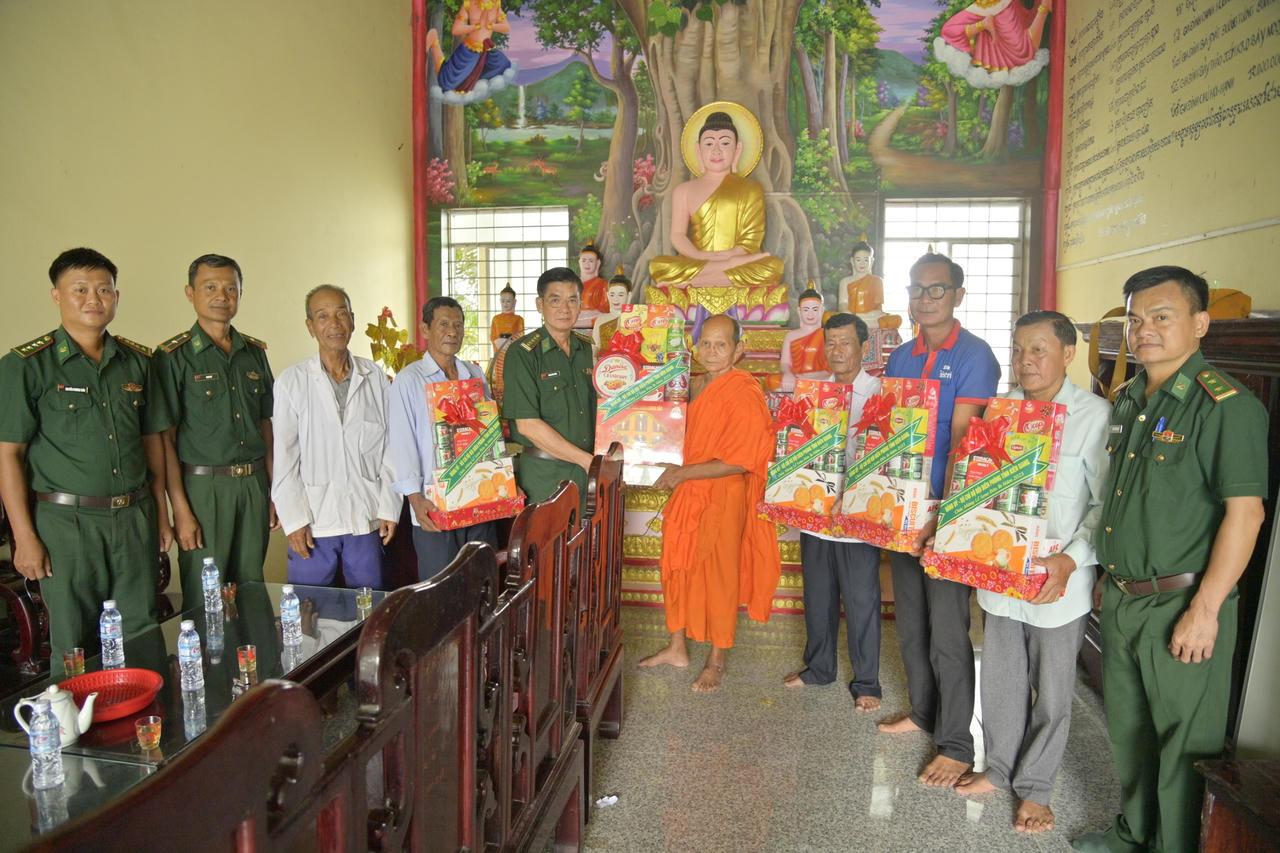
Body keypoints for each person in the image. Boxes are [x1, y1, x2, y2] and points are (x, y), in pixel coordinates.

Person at [1071, 267, 1268, 853]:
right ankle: (1133, 833)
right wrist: (1109, 574)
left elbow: (1246, 515)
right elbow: (1123, 502)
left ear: (1200, 324)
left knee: (1184, 744)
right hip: (1127, 598)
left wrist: (1206, 610)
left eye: (1163, 316)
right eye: (1135, 318)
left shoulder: (1224, 407)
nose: (1145, 330)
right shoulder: (1130, 399)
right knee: (1129, 732)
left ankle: (1175, 846)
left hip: (1183, 603)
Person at [952, 311, 1110, 834]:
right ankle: (998, 768)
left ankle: (1036, 788)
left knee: (1054, 686)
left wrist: (1071, 560)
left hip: (1058, 580)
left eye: (1038, 349)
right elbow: (978, 491)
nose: (1025, 361)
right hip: (1000, 572)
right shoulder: (999, 412)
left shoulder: (1093, 415)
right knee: (1000, 679)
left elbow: (1106, 505)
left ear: (1068, 354)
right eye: (1018, 350)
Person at [0, 248, 171, 659]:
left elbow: (153, 444)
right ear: (57, 296)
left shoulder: (139, 362)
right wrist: (23, 537)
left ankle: (148, 721)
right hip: (65, 524)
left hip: (134, 517)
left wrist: (162, 517)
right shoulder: (26, 366)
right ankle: (74, 724)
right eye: (80, 289)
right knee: (73, 642)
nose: (93, 299)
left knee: (141, 632)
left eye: (104, 289)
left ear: (116, 295)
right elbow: (9, 455)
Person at [877, 252, 1001, 787]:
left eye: (937, 290)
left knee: (949, 630)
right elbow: (889, 435)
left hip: (946, 512)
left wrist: (941, 518)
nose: (925, 299)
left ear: (958, 295)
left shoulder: (976, 356)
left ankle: (955, 742)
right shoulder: (901, 356)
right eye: (918, 289)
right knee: (911, 622)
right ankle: (924, 712)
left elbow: (962, 443)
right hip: (900, 509)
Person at [637, 314, 780, 691]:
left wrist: (684, 473)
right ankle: (677, 646)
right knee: (676, 562)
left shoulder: (744, 390)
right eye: (706, 344)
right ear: (694, 347)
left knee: (719, 574)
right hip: (687, 492)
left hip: (723, 495)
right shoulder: (691, 385)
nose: (712, 351)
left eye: (721, 344)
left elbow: (742, 459)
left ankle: (717, 659)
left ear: (739, 349)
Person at [154, 254, 277, 610]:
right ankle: (208, 665)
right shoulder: (173, 356)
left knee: (251, 586)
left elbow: (265, 425)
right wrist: (181, 510)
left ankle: (253, 663)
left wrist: (272, 491)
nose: (222, 296)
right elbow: (166, 439)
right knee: (206, 593)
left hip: (253, 484)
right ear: (190, 293)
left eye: (230, 288)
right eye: (211, 287)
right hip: (203, 489)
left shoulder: (254, 353)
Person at [782, 313, 884, 711]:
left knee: (861, 598)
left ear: (863, 348)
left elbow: (885, 457)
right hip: (816, 512)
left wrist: (854, 492)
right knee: (818, 594)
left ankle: (868, 682)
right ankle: (819, 667)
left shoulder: (880, 392)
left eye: (845, 343)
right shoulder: (814, 392)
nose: (837, 351)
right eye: (831, 343)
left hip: (857, 516)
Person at [271, 285, 401, 589]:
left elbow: (390, 449)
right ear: (310, 326)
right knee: (309, 614)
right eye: (323, 316)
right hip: (314, 519)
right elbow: (286, 457)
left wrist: (389, 506)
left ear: (353, 320)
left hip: (366, 517)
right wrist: (294, 520)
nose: (334, 323)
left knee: (369, 613)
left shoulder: (375, 377)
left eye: (341, 313)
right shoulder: (292, 381)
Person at [387, 296, 500, 582]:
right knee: (441, 591)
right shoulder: (409, 380)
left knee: (482, 582)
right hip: (433, 506)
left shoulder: (473, 374)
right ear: (425, 329)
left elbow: (486, 433)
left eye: (459, 325)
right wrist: (415, 498)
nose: (453, 332)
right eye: (444, 324)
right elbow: (402, 443)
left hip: (478, 496)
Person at [648, 108, 784, 290]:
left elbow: (751, 241)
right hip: (698, 260)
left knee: (773, 267)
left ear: (738, 149)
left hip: (738, 261)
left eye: (725, 143)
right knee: (658, 265)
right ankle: (710, 274)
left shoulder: (751, 189)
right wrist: (705, 257)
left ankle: (687, 283)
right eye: (709, 144)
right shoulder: (684, 190)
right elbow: (677, 236)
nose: (717, 150)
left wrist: (731, 257)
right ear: (698, 150)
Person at [501, 268, 597, 513]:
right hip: (546, 479)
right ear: (539, 304)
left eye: (572, 300)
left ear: (580, 304)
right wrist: (588, 462)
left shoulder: (591, 350)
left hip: (591, 478)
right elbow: (527, 425)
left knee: (591, 549)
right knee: (547, 550)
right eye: (555, 300)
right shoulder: (523, 353)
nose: (564, 309)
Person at [426, 0, 516, 104]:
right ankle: (434, 42)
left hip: (486, 51)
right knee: (447, 83)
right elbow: (456, 30)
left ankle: (473, 80)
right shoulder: (469, 3)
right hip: (470, 50)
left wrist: (490, 25)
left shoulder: (495, 4)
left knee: (503, 65)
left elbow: (506, 28)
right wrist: (476, 26)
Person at [769, 286, 829, 392]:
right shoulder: (791, 336)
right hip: (797, 378)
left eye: (815, 309)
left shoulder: (827, 334)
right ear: (799, 311)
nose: (810, 314)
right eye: (806, 310)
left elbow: (832, 365)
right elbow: (785, 363)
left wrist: (817, 376)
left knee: (836, 380)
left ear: (822, 310)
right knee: (771, 381)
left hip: (822, 378)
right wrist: (788, 374)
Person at [591, 267, 631, 355]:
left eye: (620, 295)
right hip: (606, 364)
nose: (615, 299)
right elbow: (595, 346)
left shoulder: (635, 319)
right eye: (612, 295)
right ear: (608, 296)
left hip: (629, 363)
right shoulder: (601, 320)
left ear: (629, 296)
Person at [577, 243, 610, 318]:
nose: (587, 264)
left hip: (594, 319)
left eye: (591, 261)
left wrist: (590, 313)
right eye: (584, 260)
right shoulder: (572, 284)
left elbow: (606, 307)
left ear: (597, 263)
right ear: (579, 262)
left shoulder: (603, 284)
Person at [490, 284, 524, 354]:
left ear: (514, 302)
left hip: (512, 348)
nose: (505, 304)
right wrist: (498, 342)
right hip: (499, 348)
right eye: (503, 301)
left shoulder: (519, 319)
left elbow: (520, 336)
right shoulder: (496, 319)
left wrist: (511, 343)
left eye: (508, 301)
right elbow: (493, 336)